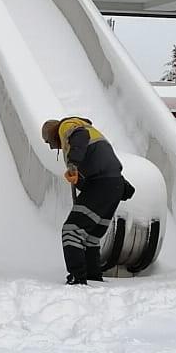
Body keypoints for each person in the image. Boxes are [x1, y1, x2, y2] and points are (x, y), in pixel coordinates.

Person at [41, 117, 133, 285]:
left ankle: (77, 277)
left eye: (48, 142)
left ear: (53, 133)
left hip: (101, 184)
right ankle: (93, 276)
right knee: (90, 236)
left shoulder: (68, 126)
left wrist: (73, 164)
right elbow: (98, 164)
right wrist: (78, 180)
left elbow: (80, 136)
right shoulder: (87, 136)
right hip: (113, 185)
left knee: (72, 230)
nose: (51, 146)